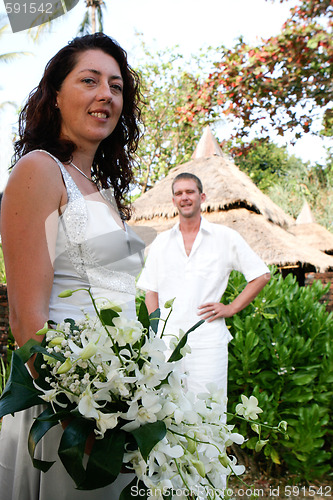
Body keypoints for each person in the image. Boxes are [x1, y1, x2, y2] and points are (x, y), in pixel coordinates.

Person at [0, 33, 145, 500]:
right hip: (69, 405)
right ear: (56, 95)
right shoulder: (39, 170)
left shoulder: (100, 188)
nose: (106, 93)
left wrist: (136, 393)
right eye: (90, 80)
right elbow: (26, 317)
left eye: (117, 85)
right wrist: (72, 410)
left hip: (118, 399)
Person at [137, 172, 270, 400]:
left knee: (210, 410)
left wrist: (231, 308)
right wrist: (157, 331)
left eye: (190, 192)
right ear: (173, 201)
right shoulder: (161, 243)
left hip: (208, 342)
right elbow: (151, 291)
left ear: (202, 196)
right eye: (179, 193)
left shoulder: (225, 237)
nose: (185, 197)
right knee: (169, 412)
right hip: (168, 344)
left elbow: (261, 275)